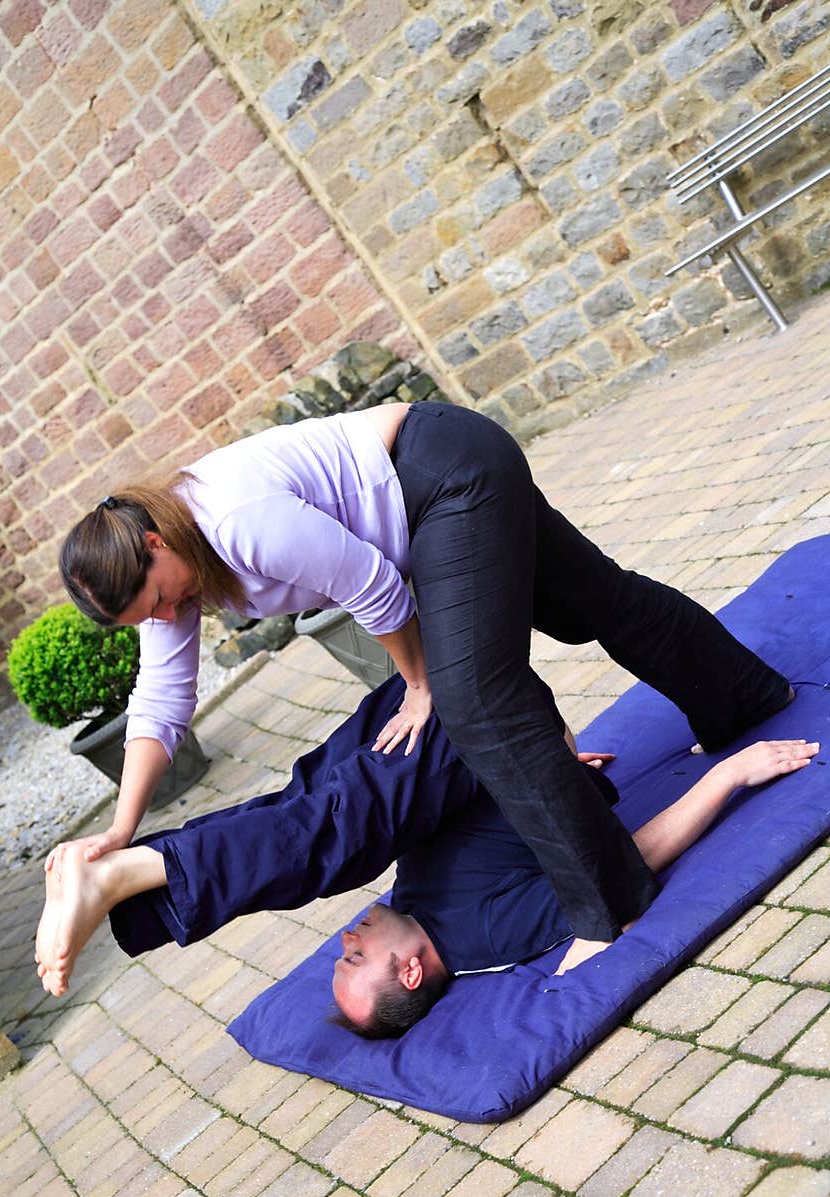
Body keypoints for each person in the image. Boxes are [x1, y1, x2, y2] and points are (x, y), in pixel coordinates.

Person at [56, 399, 793, 948]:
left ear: (154, 543)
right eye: (145, 618)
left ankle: (613, 901)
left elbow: (373, 586)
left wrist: (420, 684)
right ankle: (749, 698)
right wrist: (123, 827)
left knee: (475, 703)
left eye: (156, 599)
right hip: (432, 497)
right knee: (596, 597)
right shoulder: (176, 570)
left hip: (446, 474)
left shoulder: (237, 520)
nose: (163, 615)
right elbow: (161, 700)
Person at [35, 677, 817, 1039]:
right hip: (475, 715)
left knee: (314, 813)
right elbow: (625, 865)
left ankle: (135, 875)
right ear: (411, 973)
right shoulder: (489, 935)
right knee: (329, 837)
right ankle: (128, 875)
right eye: (352, 962)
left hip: (436, 722)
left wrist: (548, 775)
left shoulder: (416, 910)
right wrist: (728, 774)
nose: (344, 944)